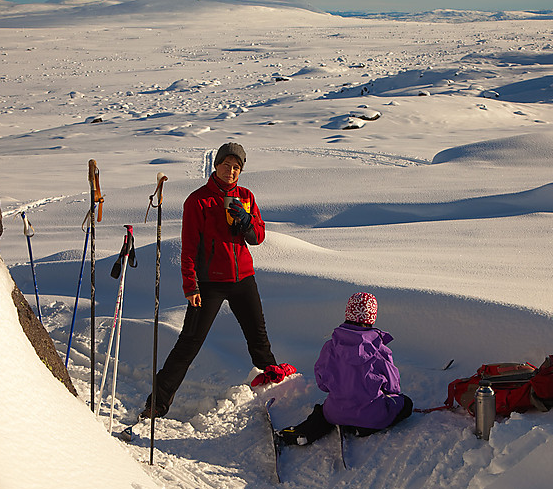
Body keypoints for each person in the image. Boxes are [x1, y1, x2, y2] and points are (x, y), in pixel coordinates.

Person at [142, 142, 294, 419]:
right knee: (189, 344)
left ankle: (279, 396)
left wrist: (247, 221)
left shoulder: (246, 196)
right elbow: (188, 248)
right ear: (217, 165)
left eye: (237, 167)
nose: (232, 171)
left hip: (244, 279)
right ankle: (156, 405)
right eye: (227, 165)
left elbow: (257, 238)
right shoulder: (198, 200)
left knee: (259, 341)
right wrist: (191, 285)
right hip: (209, 284)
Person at [278, 292, 413, 445]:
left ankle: (306, 431)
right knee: (406, 404)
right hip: (373, 415)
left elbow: (322, 384)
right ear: (372, 317)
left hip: (336, 412)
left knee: (323, 412)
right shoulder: (380, 350)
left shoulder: (330, 346)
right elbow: (393, 387)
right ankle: (364, 429)